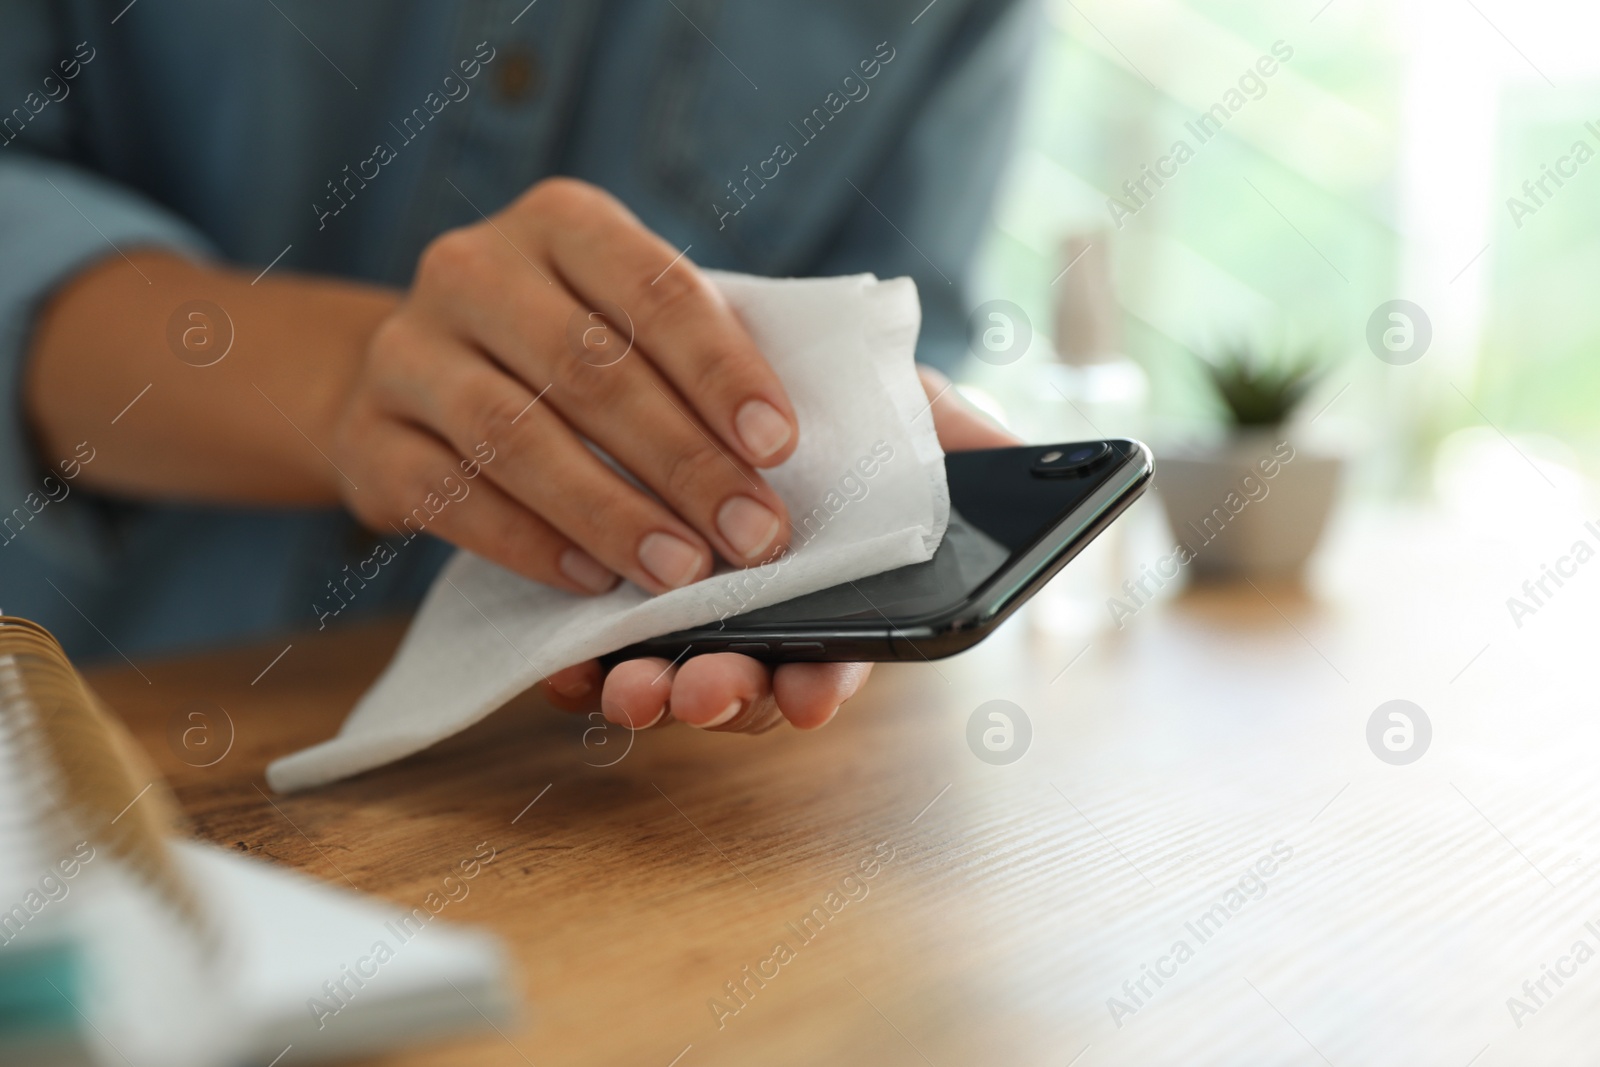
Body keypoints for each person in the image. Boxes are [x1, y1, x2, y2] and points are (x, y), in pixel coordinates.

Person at [0, 1, 1035, 735]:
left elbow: (897, 327)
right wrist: (362, 382)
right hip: (81, 733)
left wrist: (839, 521)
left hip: (602, 805)